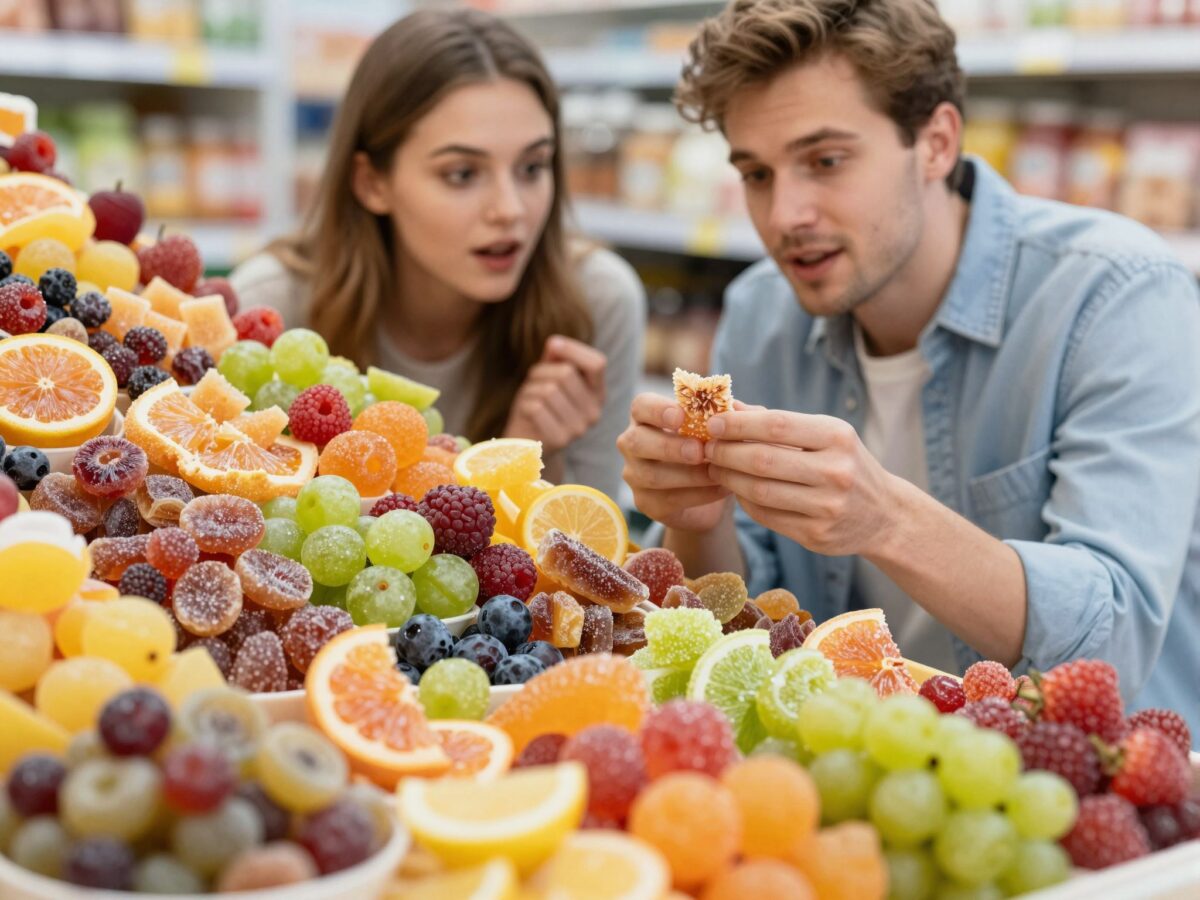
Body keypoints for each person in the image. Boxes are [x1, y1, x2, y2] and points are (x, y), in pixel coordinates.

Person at [617, 0, 1200, 731]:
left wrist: (883, 517)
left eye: (825, 161)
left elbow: (1114, 638)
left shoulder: (1114, 294)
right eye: (757, 174)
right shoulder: (762, 313)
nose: (784, 213)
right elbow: (742, 641)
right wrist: (698, 520)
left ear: (936, 143)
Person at [231, 8, 645, 498]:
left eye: (533, 167)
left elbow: (587, 548)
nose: (510, 210)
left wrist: (535, 455)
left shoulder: (596, 302)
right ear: (372, 183)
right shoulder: (270, 309)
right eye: (462, 174)